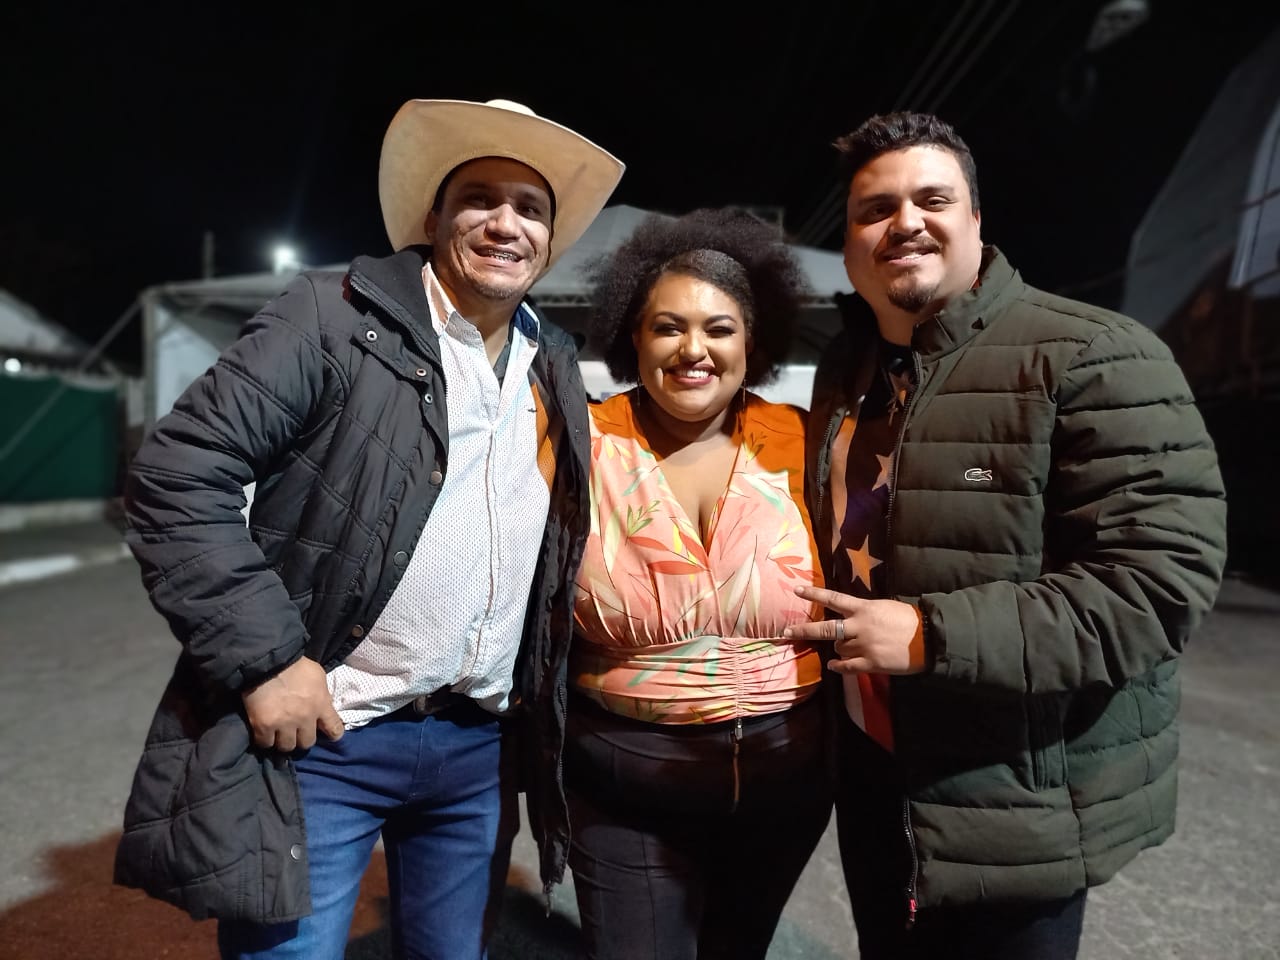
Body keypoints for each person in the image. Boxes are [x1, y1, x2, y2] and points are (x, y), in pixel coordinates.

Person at [113, 97, 623, 959]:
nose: (506, 224)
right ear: (433, 218)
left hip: (478, 749)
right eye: (480, 199)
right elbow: (177, 474)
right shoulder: (331, 315)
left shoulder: (555, 360)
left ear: (549, 238)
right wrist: (266, 661)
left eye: (530, 208)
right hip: (325, 740)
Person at [781, 111, 1228, 960]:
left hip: (1016, 800)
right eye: (876, 209)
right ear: (849, 243)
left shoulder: (1093, 354)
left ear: (976, 219)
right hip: (875, 780)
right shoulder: (848, 369)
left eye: (932, 199)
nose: (905, 222)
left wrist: (932, 635)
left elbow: (1157, 587)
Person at [565, 207, 835, 960]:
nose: (694, 349)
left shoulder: (803, 442)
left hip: (784, 790)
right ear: (633, 336)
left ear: (753, 341)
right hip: (622, 788)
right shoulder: (580, 444)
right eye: (668, 327)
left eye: (719, 328)